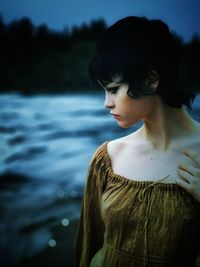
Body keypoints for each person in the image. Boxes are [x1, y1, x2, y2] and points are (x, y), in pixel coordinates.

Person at [74, 16, 200, 267]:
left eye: (113, 89)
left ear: (150, 80)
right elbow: (87, 249)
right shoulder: (108, 158)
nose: (106, 103)